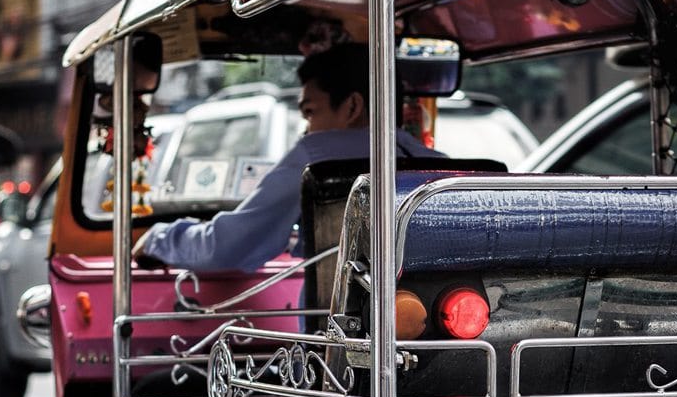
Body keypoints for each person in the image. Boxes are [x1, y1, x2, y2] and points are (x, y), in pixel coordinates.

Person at [132, 42, 445, 274]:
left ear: (352, 107)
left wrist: (159, 238)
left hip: (332, 345)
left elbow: (227, 248)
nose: (306, 127)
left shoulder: (317, 158)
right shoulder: (440, 167)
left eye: (310, 112)